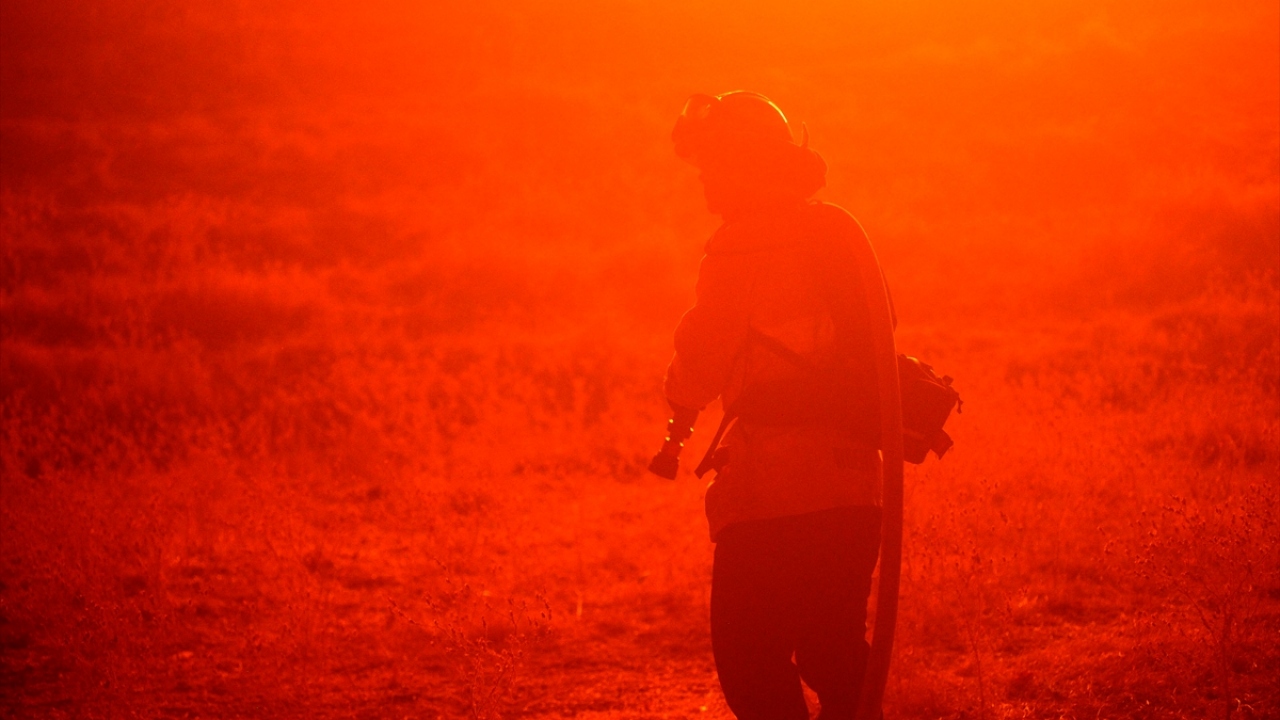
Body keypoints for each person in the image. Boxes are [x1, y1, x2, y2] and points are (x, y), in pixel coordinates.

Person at [659, 91, 889, 720]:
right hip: (853, 487)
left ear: (743, 166)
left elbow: (700, 360)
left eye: (712, 165)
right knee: (834, 651)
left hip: (775, 493)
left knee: (748, 658)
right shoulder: (834, 234)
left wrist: (678, 398)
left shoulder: (741, 248)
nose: (704, 180)